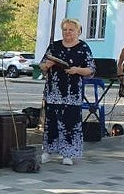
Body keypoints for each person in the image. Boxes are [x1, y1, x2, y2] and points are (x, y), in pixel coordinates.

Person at [39, 18, 96, 166]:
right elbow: (42, 65)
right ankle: (48, 151)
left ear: (78, 31)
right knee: (51, 121)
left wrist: (77, 70)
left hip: (72, 92)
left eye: (71, 30)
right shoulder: (54, 46)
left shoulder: (83, 47)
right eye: (65, 29)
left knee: (70, 122)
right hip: (54, 91)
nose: (67, 32)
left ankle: (68, 154)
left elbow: (91, 69)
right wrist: (47, 65)